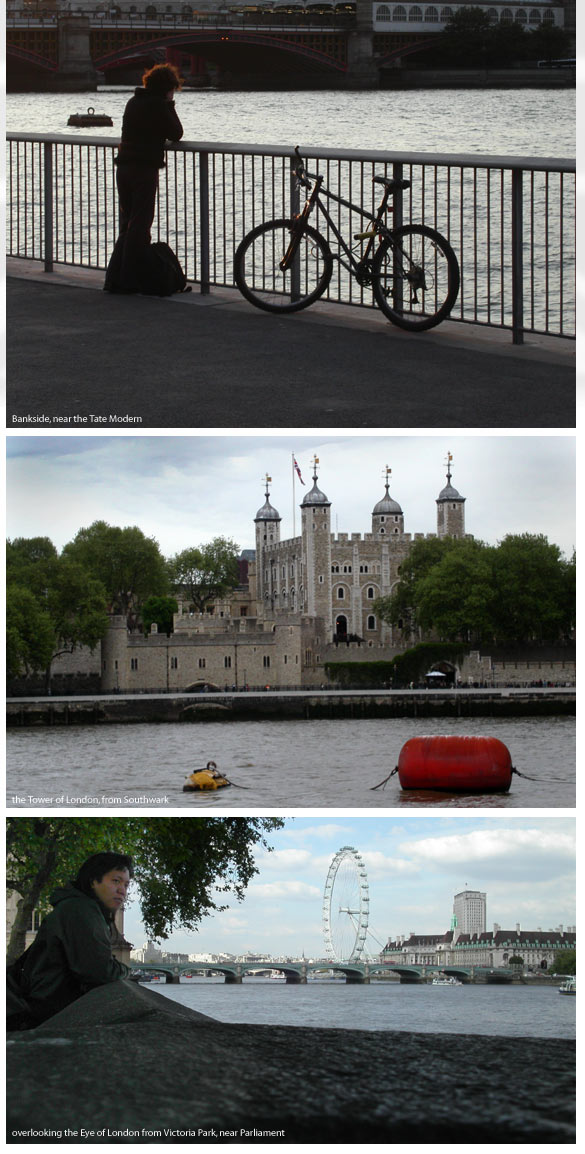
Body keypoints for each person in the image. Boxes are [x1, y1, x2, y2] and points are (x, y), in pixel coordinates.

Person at [7, 852, 134, 1029]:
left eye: (126, 884)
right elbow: (100, 972)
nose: (122, 890)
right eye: (116, 881)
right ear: (93, 881)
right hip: (41, 1013)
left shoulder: (77, 907)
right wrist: (126, 971)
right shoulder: (81, 911)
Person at [105, 63, 184, 293]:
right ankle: (127, 279)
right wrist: (170, 105)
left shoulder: (133, 102)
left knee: (128, 223)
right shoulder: (158, 105)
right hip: (144, 169)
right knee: (140, 225)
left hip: (124, 167)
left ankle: (118, 276)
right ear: (167, 88)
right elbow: (176, 133)